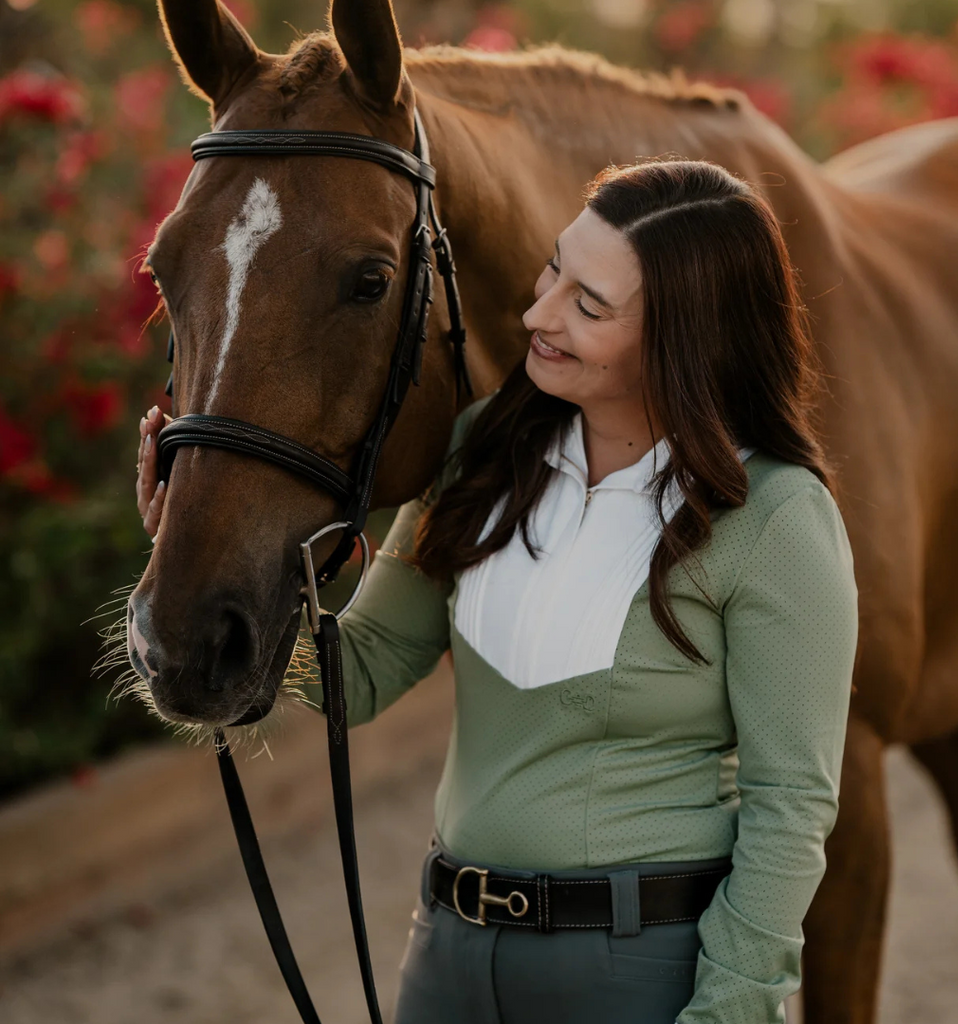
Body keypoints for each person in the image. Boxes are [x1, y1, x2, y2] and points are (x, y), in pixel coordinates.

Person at [136, 158, 859, 1024]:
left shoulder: (774, 516)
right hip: (449, 956)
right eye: (557, 269)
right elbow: (358, 674)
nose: (539, 314)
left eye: (589, 306)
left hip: (639, 975)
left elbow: (791, 807)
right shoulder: (483, 451)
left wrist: (734, 1008)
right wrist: (213, 575)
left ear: (684, 338)